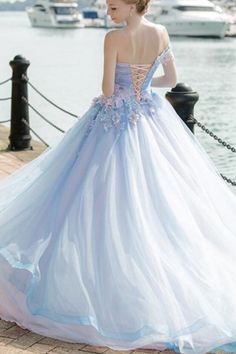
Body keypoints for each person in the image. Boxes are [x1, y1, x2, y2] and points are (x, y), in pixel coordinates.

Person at [0, 0, 236, 353]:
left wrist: (126, 87)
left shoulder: (113, 38)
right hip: (152, 118)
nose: (109, 10)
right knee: (159, 198)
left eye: (114, 5)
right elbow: (170, 79)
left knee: (94, 197)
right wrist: (143, 83)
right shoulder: (161, 31)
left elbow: (108, 90)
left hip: (114, 122)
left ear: (132, 5)